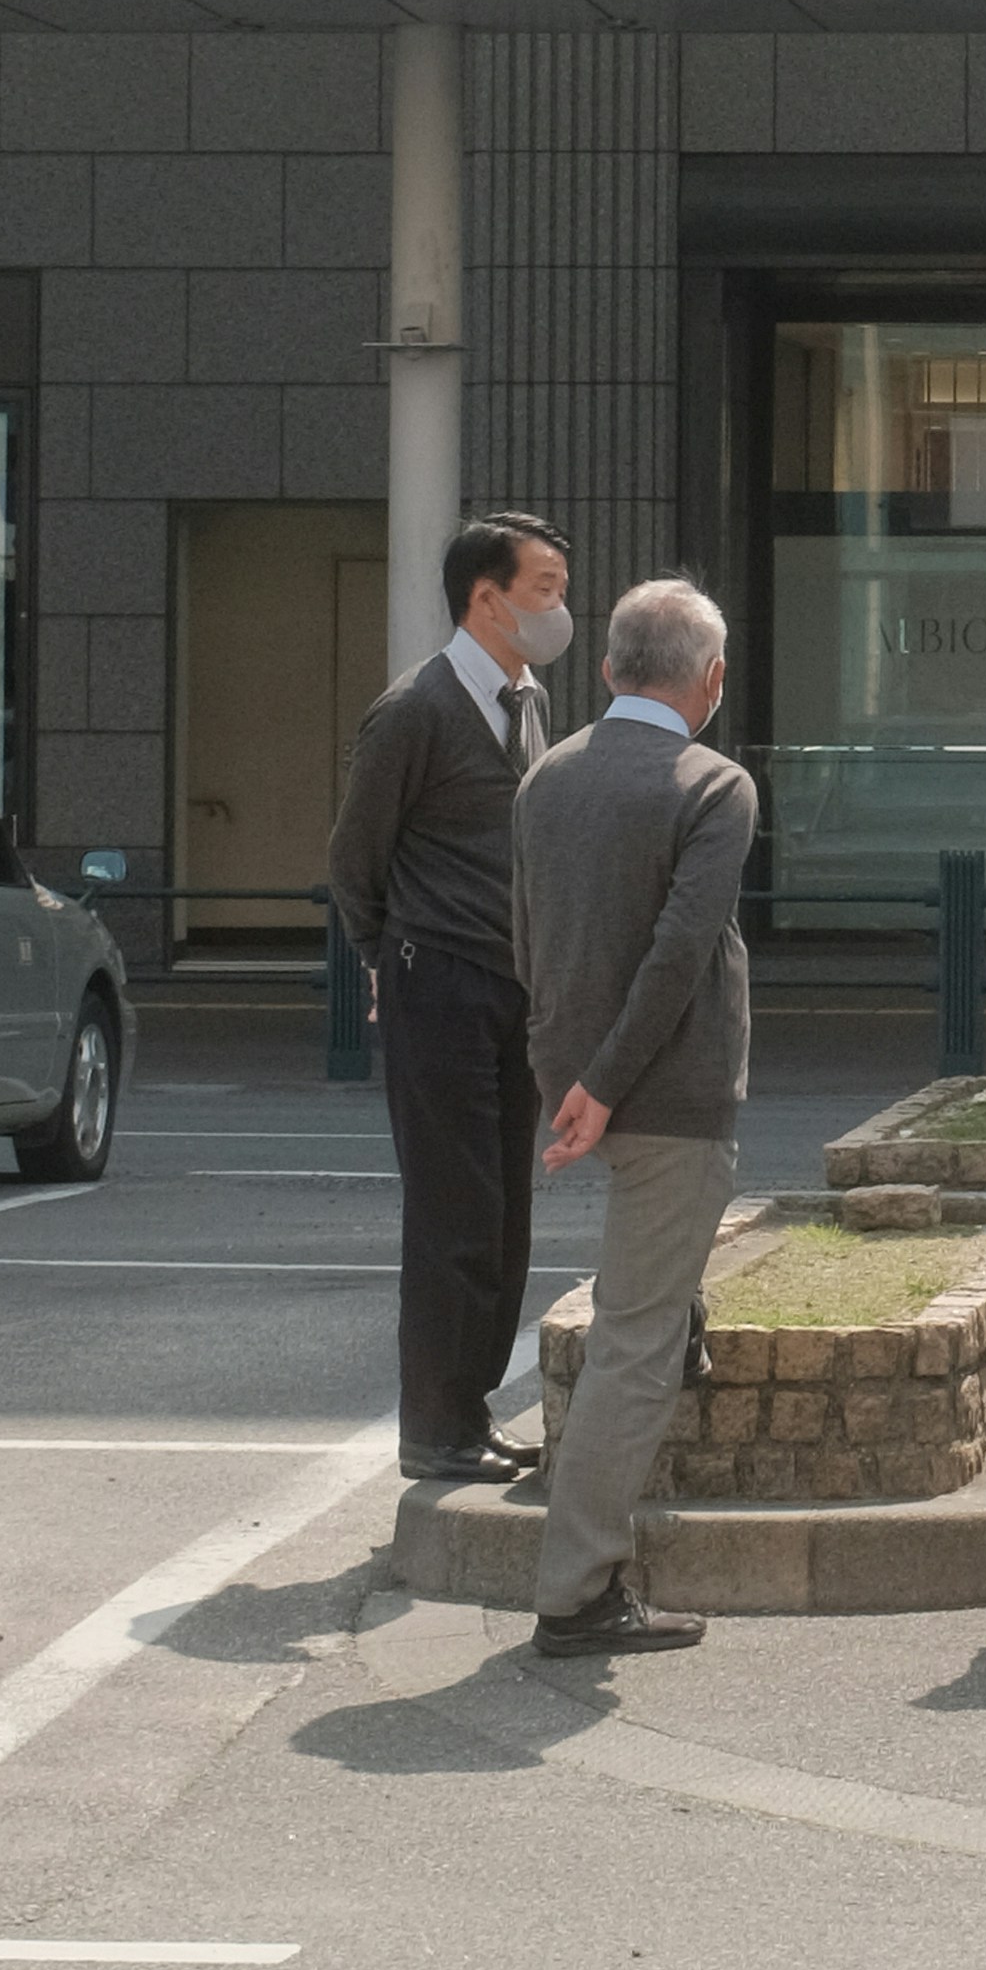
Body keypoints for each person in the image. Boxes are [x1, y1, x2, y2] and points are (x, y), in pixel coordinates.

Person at [509, 577, 757, 1668]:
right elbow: (679, 955)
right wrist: (605, 1084)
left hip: (578, 1084)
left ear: (609, 668)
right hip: (666, 1095)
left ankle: (582, 1577)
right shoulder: (714, 785)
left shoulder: (547, 777)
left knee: (646, 1321)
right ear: (712, 679)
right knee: (635, 1347)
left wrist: (565, 1080)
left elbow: (529, 942)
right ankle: (577, 1591)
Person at [325, 507, 571, 1472]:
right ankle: (434, 1427)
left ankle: (469, 1412)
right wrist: (385, 958)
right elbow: (355, 857)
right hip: (438, 979)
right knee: (452, 1211)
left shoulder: (529, 699)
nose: (559, 608)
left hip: (514, 984)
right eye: (544, 589)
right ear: (486, 598)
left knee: (504, 1210)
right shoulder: (415, 710)